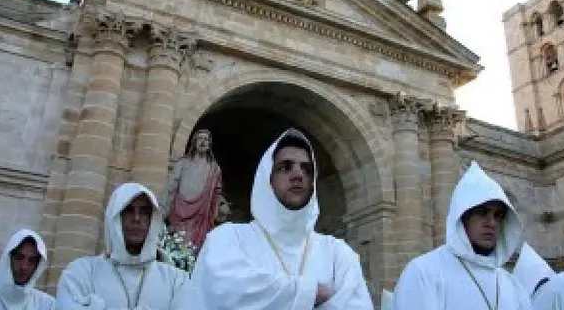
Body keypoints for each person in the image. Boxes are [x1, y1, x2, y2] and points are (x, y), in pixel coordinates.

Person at [187, 128, 373, 309]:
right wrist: (311, 293)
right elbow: (225, 289)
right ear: (267, 178)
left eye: (307, 170)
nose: (298, 175)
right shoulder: (228, 237)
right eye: (285, 167)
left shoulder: (338, 253)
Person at [392, 161, 532, 309]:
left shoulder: (513, 286)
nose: (491, 223)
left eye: (498, 215)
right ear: (462, 217)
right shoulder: (424, 272)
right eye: (482, 212)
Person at [56, 182, 188, 309]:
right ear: (114, 218)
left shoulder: (176, 280)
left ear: (153, 220)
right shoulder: (82, 273)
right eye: (129, 210)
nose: (136, 218)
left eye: (144, 212)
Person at [163, 128, 224, 250]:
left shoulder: (214, 169)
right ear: (194, 142)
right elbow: (171, 188)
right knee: (176, 247)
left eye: (206, 140)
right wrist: (163, 209)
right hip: (178, 213)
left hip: (201, 217)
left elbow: (216, 194)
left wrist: (215, 214)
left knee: (194, 249)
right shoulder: (182, 163)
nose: (203, 142)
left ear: (209, 144)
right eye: (200, 139)